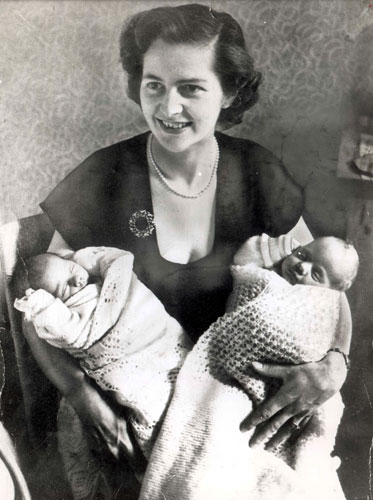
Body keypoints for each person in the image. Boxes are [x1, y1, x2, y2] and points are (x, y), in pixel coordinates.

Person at [18, 4, 353, 499]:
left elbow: (329, 289)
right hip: (132, 414)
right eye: (154, 85)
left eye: (190, 87)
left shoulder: (257, 172)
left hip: (239, 412)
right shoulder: (104, 176)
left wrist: (336, 363)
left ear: (230, 92)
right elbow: (37, 308)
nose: (168, 108)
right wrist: (85, 401)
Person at [139, 234, 358, 500]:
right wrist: (280, 251)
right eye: (303, 256)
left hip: (288, 389)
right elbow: (248, 260)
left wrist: (336, 359)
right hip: (216, 369)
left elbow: (336, 299)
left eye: (316, 274)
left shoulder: (319, 299)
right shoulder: (268, 274)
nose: (303, 267)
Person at [14, 247, 191, 459]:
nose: (77, 280)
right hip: (129, 373)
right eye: (64, 289)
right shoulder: (68, 319)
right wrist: (42, 303)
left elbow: (117, 261)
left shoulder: (100, 280)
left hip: (166, 344)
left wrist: (77, 259)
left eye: (72, 269)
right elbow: (39, 322)